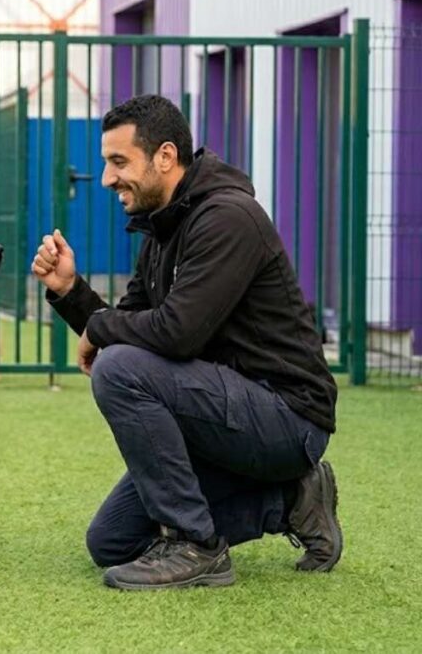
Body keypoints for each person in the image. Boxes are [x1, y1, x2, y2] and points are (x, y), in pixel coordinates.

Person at [32, 94, 341, 590]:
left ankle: (196, 546)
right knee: (112, 542)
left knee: (120, 368)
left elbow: (177, 333)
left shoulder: (228, 218)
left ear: (166, 156)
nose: (109, 178)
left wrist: (101, 332)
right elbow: (128, 321)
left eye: (118, 162)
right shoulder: (164, 228)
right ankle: (291, 499)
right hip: (219, 415)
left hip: (286, 416)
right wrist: (71, 293)